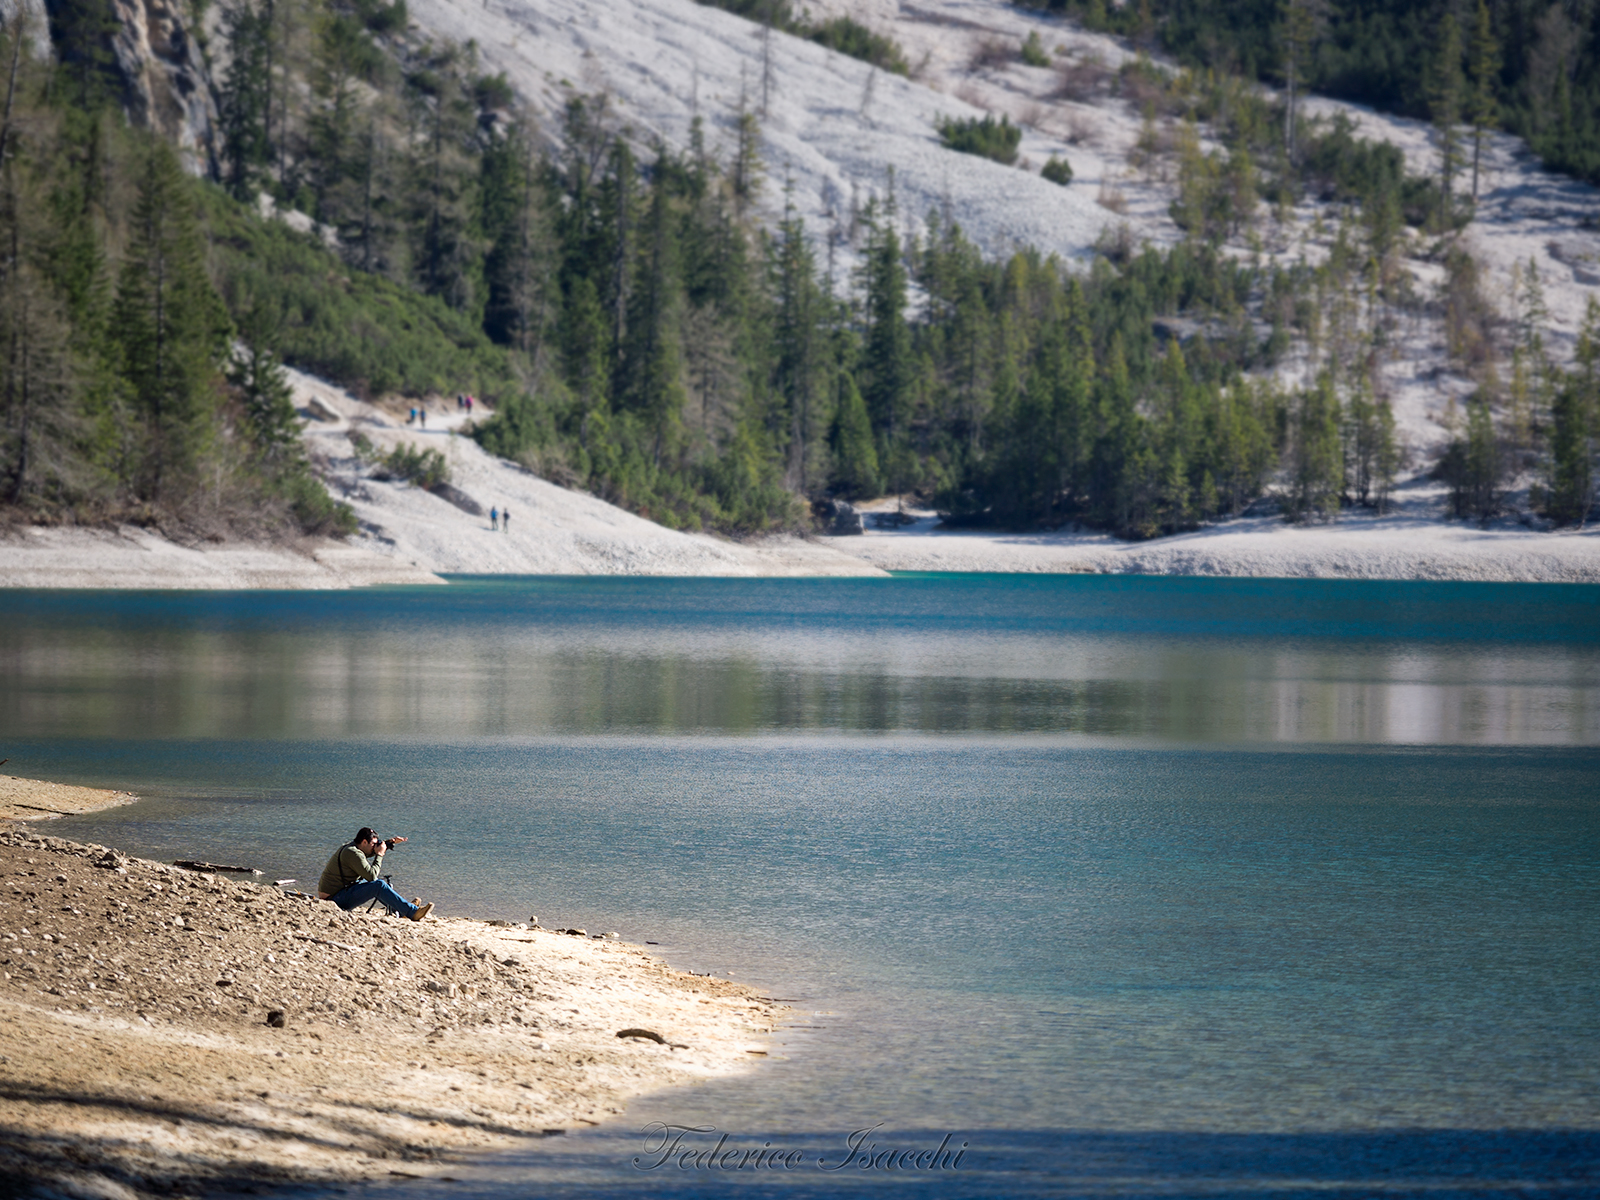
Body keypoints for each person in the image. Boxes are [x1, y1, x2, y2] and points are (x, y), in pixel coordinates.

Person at [317, 827, 433, 920]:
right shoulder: (353, 853)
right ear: (364, 842)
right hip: (334, 900)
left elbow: (368, 853)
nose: (375, 847)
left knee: (377, 884)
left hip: (341, 892)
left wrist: (389, 843)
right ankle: (412, 912)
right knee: (378, 885)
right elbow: (372, 876)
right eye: (373, 844)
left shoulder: (353, 847)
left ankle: (401, 909)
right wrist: (380, 855)